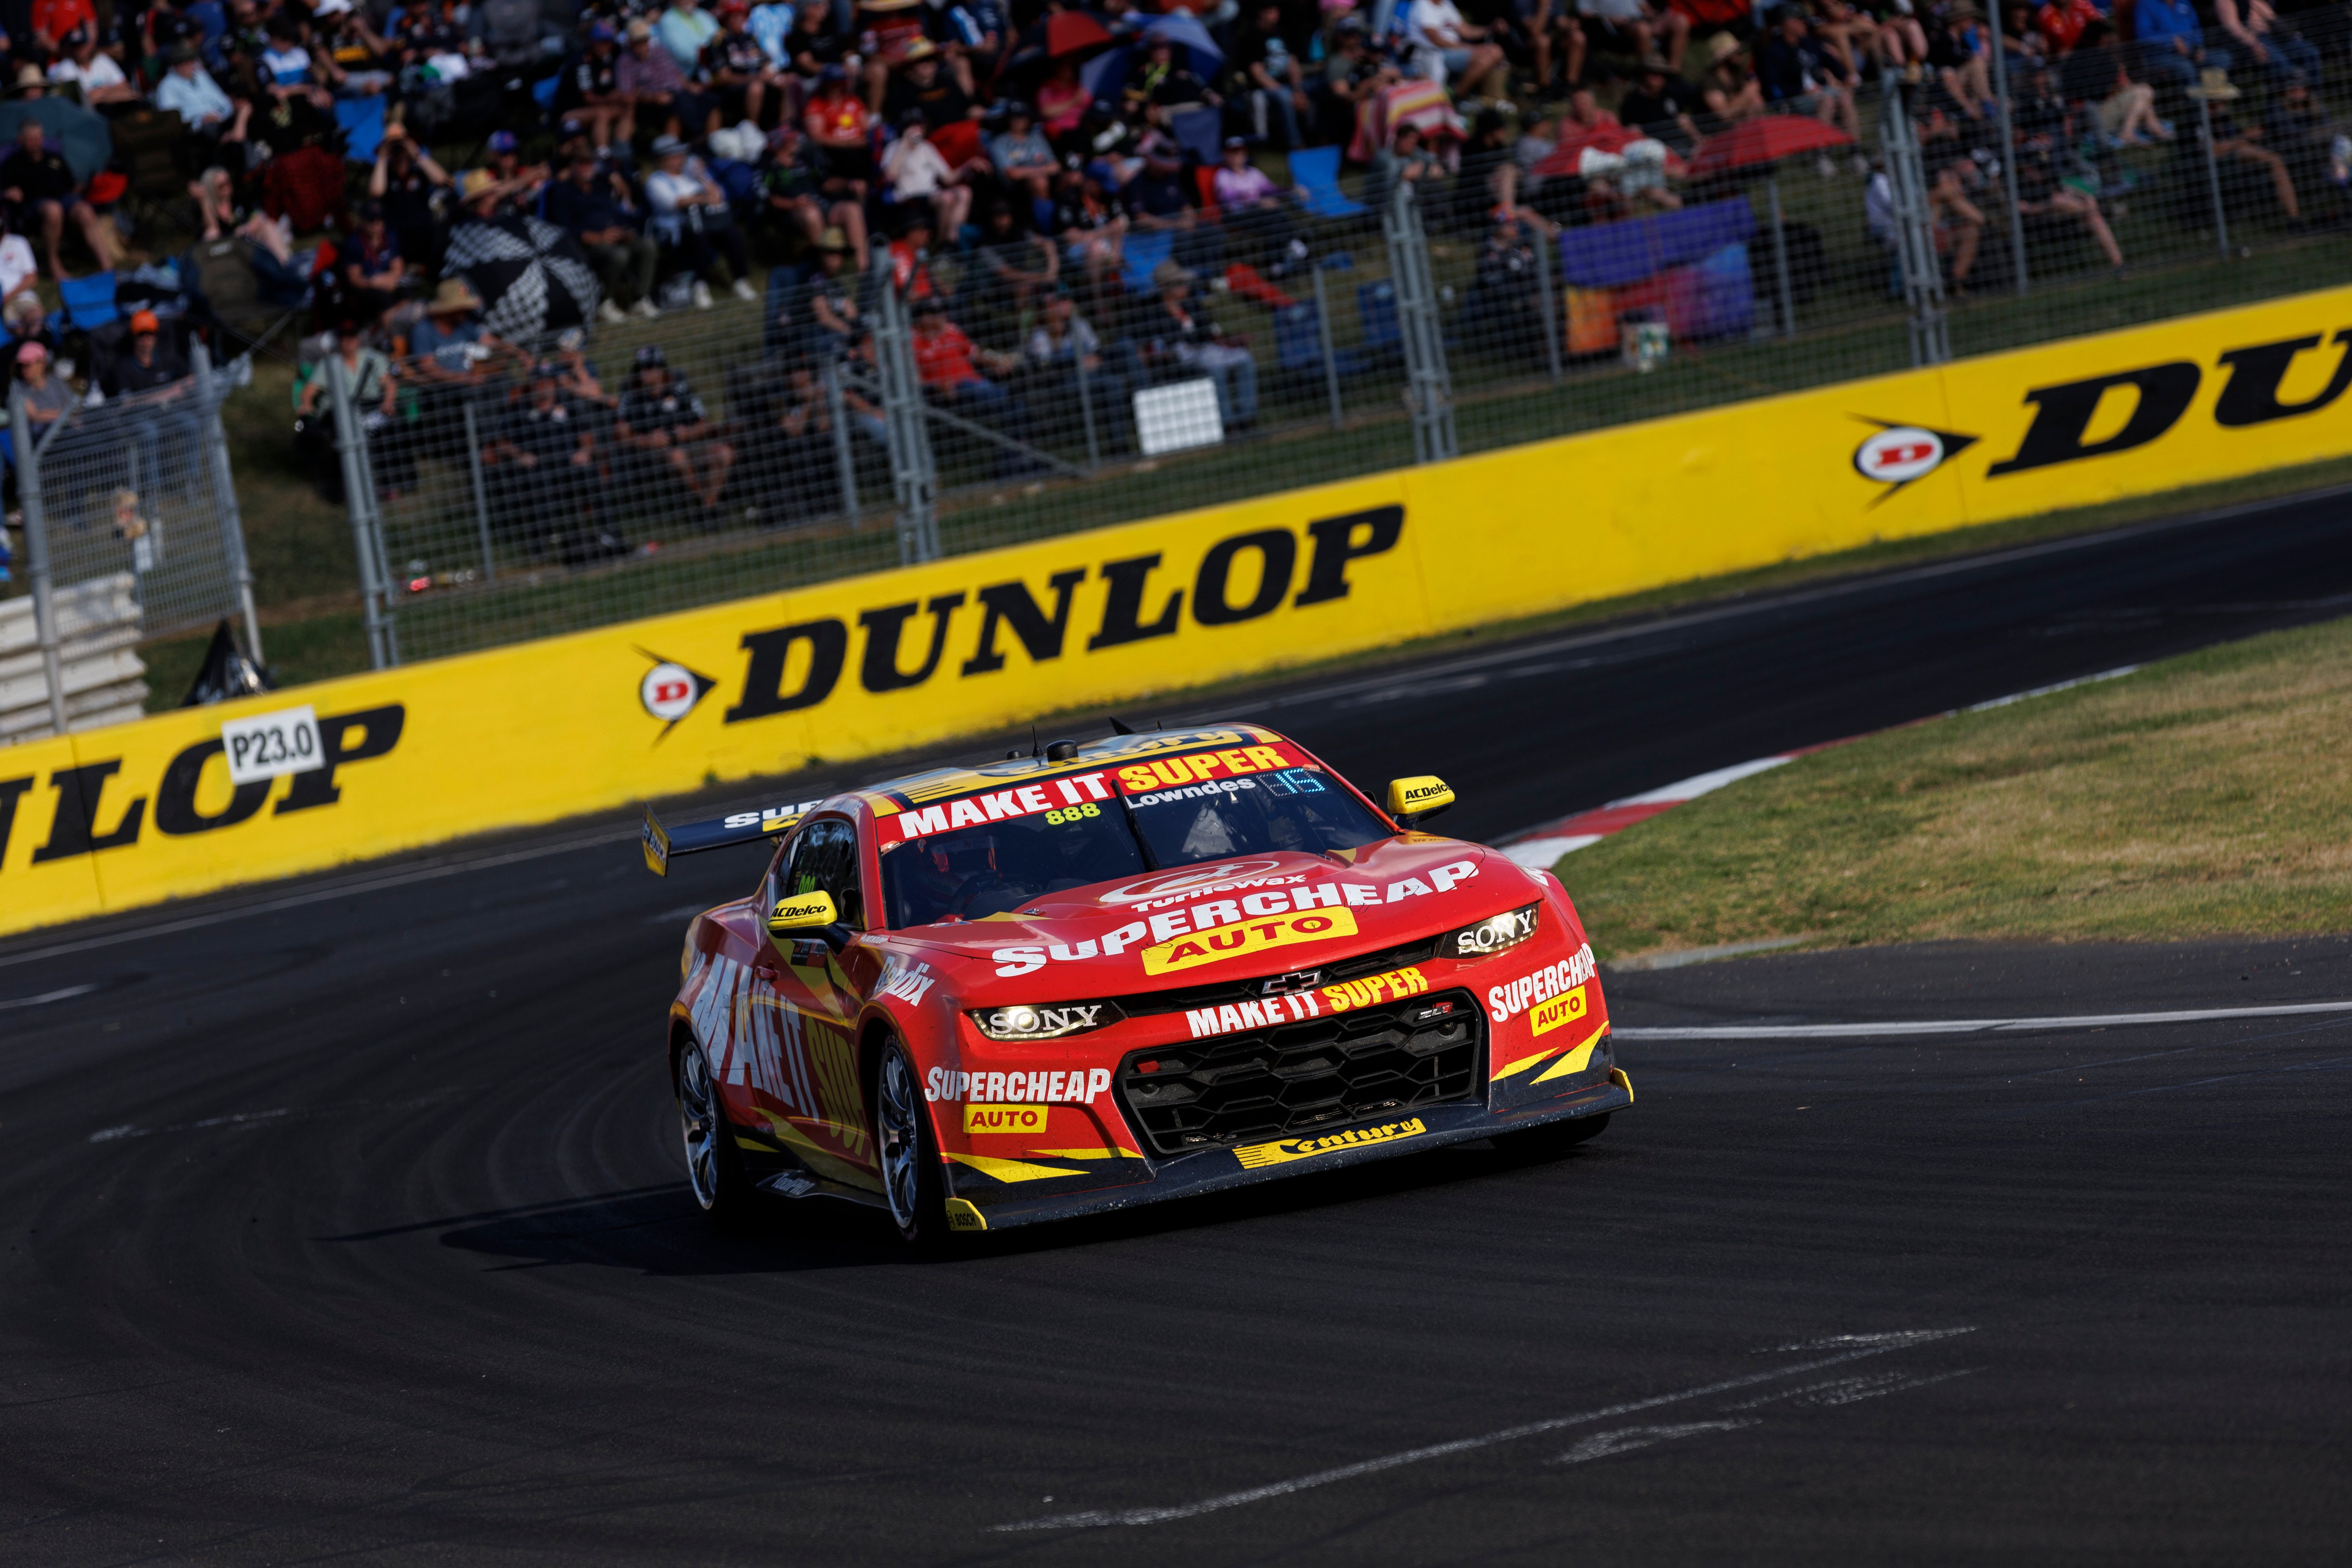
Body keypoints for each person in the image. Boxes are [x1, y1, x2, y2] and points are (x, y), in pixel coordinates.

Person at [488, 362, 615, 559]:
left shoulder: (569, 403)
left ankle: (610, 534)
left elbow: (587, 434)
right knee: (538, 489)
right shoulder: (519, 409)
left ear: (554, 383)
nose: (544, 386)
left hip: (570, 463)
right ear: (533, 384)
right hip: (539, 466)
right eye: (540, 382)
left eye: (548, 382)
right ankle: (540, 549)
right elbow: (502, 441)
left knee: (592, 475)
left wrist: (585, 451)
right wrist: (520, 455)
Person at [616, 344, 737, 519]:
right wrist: (646, 440)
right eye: (641, 368)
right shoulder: (631, 396)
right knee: (677, 457)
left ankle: (707, 506)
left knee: (724, 453)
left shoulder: (681, 389)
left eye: (649, 368)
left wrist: (687, 433)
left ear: (660, 368)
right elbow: (621, 435)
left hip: (692, 444)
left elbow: (705, 424)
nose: (644, 373)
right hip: (656, 452)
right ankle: (706, 505)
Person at [294, 318, 403, 500]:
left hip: (371, 409)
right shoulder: (328, 363)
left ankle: (389, 484)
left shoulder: (373, 357)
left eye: (352, 337)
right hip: (339, 413)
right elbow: (309, 390)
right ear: (339, 340)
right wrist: (307, 405)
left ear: (358, 339)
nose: (348, 342)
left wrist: (388, 402)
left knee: (390, 432)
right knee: (340, 438)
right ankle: (341, 490)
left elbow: (389, 384)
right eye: (344, 338)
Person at [1145, 259, 1257, 429]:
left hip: (1206, 350)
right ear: (1167, 287)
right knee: (1215, 369)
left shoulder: (1192, 304)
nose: (1185, 287)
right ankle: (1228, 424)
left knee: (1245, 360)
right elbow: (1161, 343)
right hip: (1181, 357)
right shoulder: (1153, 312)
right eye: (1179, 284)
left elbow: (1207, 332)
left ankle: (1247, 419)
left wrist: (1232, 340)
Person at [548, 152, 658, 322]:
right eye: (581, 164)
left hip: (614, 237)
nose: (587, 168)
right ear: (572, 167)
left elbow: (617, 212)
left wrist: (624, 230)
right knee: (619, 255)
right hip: (585, 243)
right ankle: (604, 303)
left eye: (589, 163)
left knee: (647, 245)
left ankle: (640, 300)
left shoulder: (600, 187)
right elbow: (564, 228)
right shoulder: (562, 192)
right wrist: (598, 236)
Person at [645, 134, 755, 305]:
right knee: (698, 236)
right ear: (662, 160)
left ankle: (740, 280)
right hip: (674, 231)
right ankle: (700, 286)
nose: (680, 159)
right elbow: (675, 203)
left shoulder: (691, 177)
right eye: (674, 156)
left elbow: (719, 196)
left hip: (707, 224)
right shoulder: (656, 181)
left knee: (732, 233)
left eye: (680, 155)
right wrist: (703, 199)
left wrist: (702, 176)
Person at [100, 310, 200, 492]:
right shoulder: (122, 368)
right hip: (136, 419)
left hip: (167, 413)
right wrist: (167, 393)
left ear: (156, 336)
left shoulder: (168, 358)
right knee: (149, 432)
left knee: (190, 423)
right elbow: (127, 403)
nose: (146, 339)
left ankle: (192, 482)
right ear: (134, 337)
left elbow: (191, 380)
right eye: (141, 335)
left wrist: (184, 387)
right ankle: (153, 490)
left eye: (150, 334)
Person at [0, 119, 113, 278]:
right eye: (30, 139)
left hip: (63, 199)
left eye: (38, 138)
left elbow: (71, 184)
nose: (35, 143)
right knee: (54, 210)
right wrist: (9, 193)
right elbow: (6, 191)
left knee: (85, 211)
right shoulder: (13, 164)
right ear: (21, 140)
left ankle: (107, 267)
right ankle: (53, 264)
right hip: (34, 206)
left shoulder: (54, 158)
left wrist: (87, 186)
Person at [1757, 7, 1859, 143]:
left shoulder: (1808, 43)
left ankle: (1855, 150)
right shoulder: (1773, 51)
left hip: (1820, 91)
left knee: (1845, 97)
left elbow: (1830, 60)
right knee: (1827, 100)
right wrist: (1801, 91)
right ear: (1789, 24)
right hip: (1794, 99)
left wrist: (1844, 77)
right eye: (1801, 22)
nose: (1805, 25)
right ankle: (1821, 156)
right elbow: (1773, 85)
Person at [368, 125, 450, 278]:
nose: (399, 149)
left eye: (401, 144)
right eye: (394, 146)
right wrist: (382, 157)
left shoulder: (419, 169)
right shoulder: (385, 172)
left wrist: (417, 154)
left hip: (424, 228)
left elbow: (443, 181)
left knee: (442, 229)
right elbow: (376, 192)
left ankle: (431, 270)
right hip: (397, 233)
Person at [882, 109, 974, 239]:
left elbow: (948, 177)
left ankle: (953, 238)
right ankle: (942, 243)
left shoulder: (927, 147)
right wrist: (904, 145)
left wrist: (968, 165)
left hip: (930, 193)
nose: (917, 129)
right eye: (912, 125)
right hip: (908, 197)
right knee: (946, 198)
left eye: (919, 125)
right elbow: (890, 177)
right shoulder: (893, 148)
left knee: (965, 192)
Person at [1232, 2, 1312, 149]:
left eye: (1276, 11)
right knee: (1285, 97)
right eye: (1270, 12)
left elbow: (1292, 63)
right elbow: (1257, 73)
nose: (1275, 16)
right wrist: (1288, 92)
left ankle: (1316, 137)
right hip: (1262, 87)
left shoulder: (1282, 32)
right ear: (1261, 13)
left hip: (1286, 84)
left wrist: (1298, 89)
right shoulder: (1252, 35)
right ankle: (1296, 142)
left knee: (1311, 90)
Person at [619, 15, 702, 140]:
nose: (642, 45)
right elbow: (627, 94)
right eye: (638, 41)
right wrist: (651, 97)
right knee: (674, 106)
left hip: (677, 92)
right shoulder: (625, 61)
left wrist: (689, 86)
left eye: (645, 40)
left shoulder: (659, 51)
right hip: (650, 102)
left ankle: (704, 139)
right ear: (630, 42)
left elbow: (677, 74)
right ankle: (673, 149)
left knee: (707, 99)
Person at [558, 20, 633, 149]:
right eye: (601, 43)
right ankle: (603, 154)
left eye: (608, 42)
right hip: (569, 113)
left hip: (598, 106)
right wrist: (612, 97)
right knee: (602, 113)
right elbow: (588, 98)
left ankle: (622, 151)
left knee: (628, 106)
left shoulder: (609, 58)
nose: (605, 46)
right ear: (592, 42)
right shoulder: (582, 62)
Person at [2211, 0, 2318, 87]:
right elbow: (2233, 27)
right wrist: (2254, 45)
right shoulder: (2224, 2)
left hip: (2276, 39)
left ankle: (2315, 100)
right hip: (2250, 43)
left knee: (2309, 52)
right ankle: (2285, 105)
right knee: (2281, 63)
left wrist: (2291, 35)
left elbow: (2273, 19)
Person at [336, 200, 405, 331]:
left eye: (380, 220)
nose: (377, 225)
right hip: (365, 286)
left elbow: (398, 267)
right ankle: (390, 339)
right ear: (363, 221)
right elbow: (355, 279)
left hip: (388, 281)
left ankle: (402, 330)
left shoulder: (390, 236)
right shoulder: (354, 243)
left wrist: (388, 280)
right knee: (384, 300)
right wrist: (376, 283)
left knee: (406, 293)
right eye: (372, 221)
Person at [1407, 0, 1504, 92]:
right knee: (1490, 54)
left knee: (1495, 52)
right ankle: (1457, 95)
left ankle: (1457, 95)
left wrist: (1491, 28)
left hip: (1453, 51)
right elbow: (1436, 40)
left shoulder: (1446, 4)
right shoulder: (1423, 5)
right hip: (1432, 53)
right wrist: (1471, 49)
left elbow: (1466, 31)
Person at [2132, 0, 2223, 96]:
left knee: (2220, 58)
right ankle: (2196, 108)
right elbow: (2143, 36)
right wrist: (2172, 41)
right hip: (2160, 55)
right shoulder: (2145, 4)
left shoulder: (2184, 2)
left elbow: (2196, 27)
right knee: (2186, 67)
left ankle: (2215, 103)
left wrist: (2199, 47)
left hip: (2190, 51)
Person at [1575, 0, 1686, 78]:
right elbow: (1584, 13)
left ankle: (1673, 74)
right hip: (1615, 28)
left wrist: (1655, 15)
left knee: (1681, 21)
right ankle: (1650, 74)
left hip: (1642, 20)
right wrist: (1608, 18)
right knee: (1642, 29)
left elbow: (1644, 7)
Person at [989, 100, 1057, 209]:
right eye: (1014, 118)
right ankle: (1048, 222)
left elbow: (1055, 167)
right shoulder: (999, 142)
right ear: (1008, 120)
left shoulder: (1037, 138)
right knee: (1040, 183)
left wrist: (1030, 172)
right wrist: (1040, 171)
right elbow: (1012, 173)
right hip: (1015, 187)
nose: (1018, 121)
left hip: (1046, 178)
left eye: (1022, 117)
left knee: (1073, 178)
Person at [48, 27, 138, 107]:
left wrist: (101, 94)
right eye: (76, 47)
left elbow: (126, 90)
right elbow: (78, 102)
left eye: (83, 45)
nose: (80, 50)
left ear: (90, 44)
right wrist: (107, 93)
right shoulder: (65, 68)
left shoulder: (102, 60)